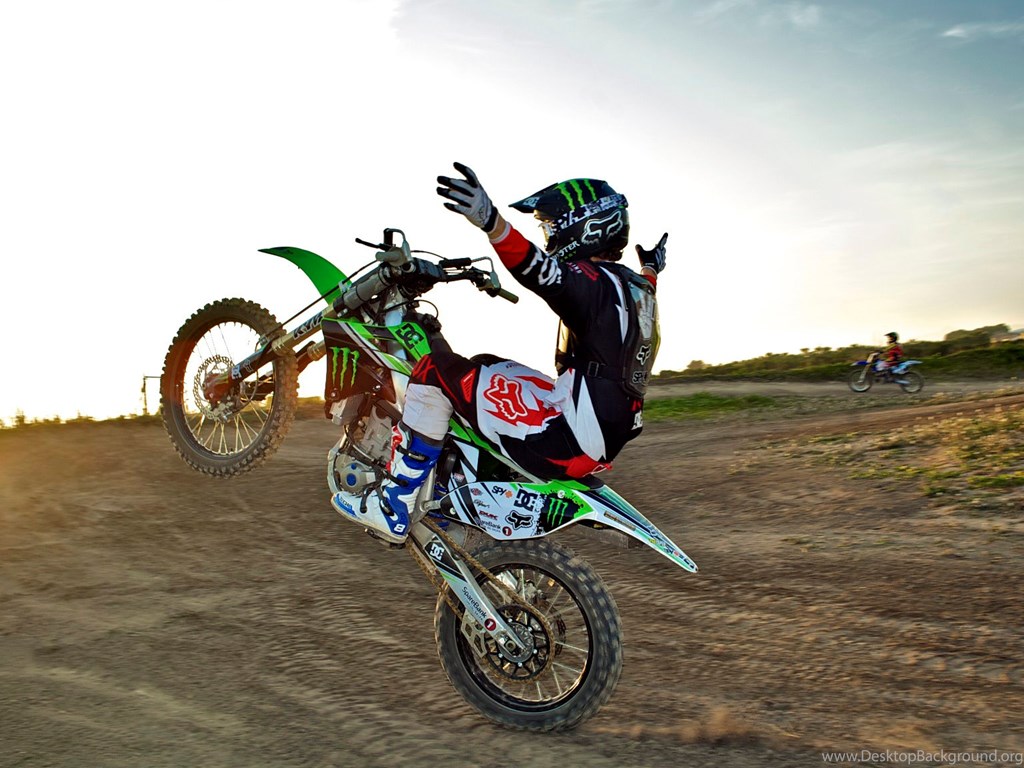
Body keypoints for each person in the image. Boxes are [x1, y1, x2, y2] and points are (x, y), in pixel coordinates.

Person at [331, 162, 668, 545]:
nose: (549, 239)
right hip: (599, 430)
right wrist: (651, 265)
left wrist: (491, 221)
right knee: (485, 364)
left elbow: (538, 271)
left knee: (434, 370)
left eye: (552, 229)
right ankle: (451, 480)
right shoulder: (634, 286)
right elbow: (645, 281)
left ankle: (396, 502)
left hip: (567, 439)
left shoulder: (590, 286)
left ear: (585, 229)